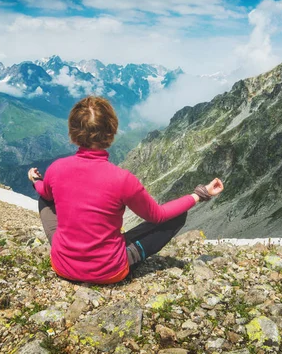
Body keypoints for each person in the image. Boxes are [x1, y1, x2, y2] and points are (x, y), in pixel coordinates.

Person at [28, 96, 223, 284]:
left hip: (64, 266)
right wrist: (199, 195)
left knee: (44, 196)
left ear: (73, 133)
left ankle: (67, 248)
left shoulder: (56, 168)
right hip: (110, 271)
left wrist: (36, 180)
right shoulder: (122, 179)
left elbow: (44, 192)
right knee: (176, 216)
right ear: (111, 132)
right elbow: (158, 215)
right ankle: (122, 258)